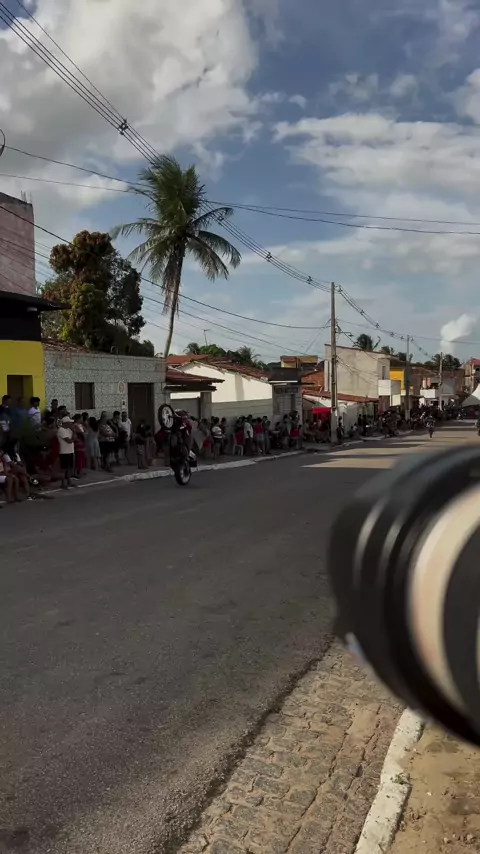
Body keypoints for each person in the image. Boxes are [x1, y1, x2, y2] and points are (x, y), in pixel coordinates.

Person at [57, 415, 75, 489]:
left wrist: (74, 431)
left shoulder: (69, 430)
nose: (71, 424)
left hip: (70, 450)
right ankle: (63, 483)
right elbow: (68, 440)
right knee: (63, 469)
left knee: (69, 467)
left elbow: (74, 438)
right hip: (64, 452)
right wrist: (73, 439)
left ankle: (69, 481)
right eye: (70, 423)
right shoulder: (61, 430)